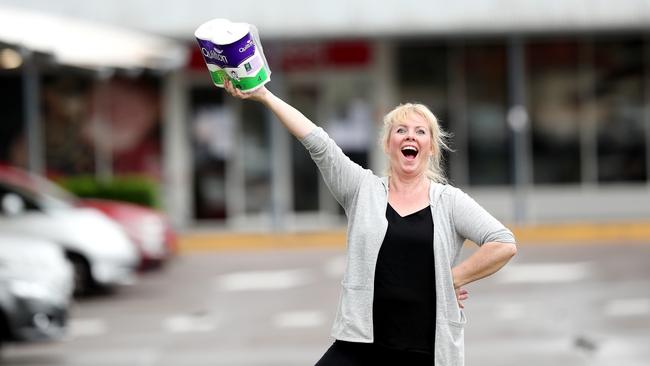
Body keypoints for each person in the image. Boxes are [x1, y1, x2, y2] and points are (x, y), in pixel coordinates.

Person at [223, 79, 517, 366]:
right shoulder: (362, 189)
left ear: (431, 148)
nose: (410, 136)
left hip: (426, 351)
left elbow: (503, 243)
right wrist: (264, 95)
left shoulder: (450, 202)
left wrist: (453, 278)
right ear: (388, 144)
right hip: (361, 347)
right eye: (400, 130)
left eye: (420, 132)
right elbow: (317, 142)